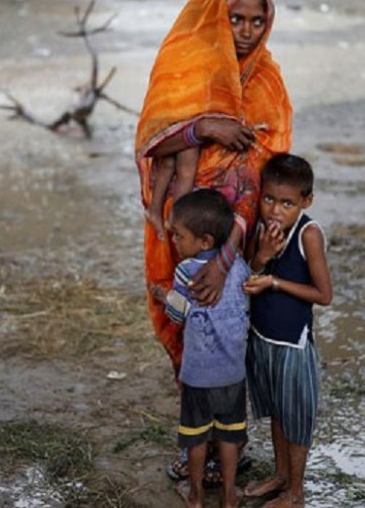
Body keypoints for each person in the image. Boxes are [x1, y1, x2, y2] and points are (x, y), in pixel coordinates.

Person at [135, 0, 293, 484]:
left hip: (238, 238)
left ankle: (231, 445)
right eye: (236, 19)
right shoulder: (187, 59)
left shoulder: (268, 81)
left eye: (257, 21)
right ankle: (194, 444)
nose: (246, 31)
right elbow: (150, 140)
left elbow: (268, 173)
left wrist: (227, 258)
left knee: (230, 335)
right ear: (217, 16)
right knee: (185, 330)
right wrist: (202, 127)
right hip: (178, 229)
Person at [242, 154, 333, 508]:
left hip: (292, 345)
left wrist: (275, 281)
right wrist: (262, 256)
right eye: (269, 199)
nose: (275, 210)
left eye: (287, 203)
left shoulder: (308, 234)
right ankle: (280, 476)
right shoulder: (262, 229)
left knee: (296, 419)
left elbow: (324, 295)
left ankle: (295, 492)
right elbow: (249, 275)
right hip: (262, 338)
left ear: (305, 201)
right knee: (278, 412)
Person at [149, 189, 250, 508]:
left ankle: (194, 495)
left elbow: (180, 314)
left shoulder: (185, 271)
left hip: (198, 376)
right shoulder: (238, 266)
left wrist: (165, 297)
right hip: (233, 372)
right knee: (230, 435)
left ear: (205, 241)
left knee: (196, 437)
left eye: (179, 236)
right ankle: (230, 495)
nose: (175, 242)